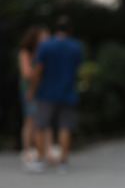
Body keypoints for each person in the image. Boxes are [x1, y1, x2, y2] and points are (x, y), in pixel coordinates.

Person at [25, 15, 82, 174]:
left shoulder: (45, 46)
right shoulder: (76, 46)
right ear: (70, 29)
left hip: (47, 92)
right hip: (68, 91)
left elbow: (38, 69)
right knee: (65, 126)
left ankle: (40, 158)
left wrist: (31, 89)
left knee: (41, 125)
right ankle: (63, 161)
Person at [17, 25, 50, 165]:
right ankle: (28, 151)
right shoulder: (25, 52)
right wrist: (38, 71)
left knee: (45, 121)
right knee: (30, 120)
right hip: (29, 90)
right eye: (44, 37)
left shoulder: (45, 52)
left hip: (43, 89)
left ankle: (46, 151)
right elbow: (26, 73)